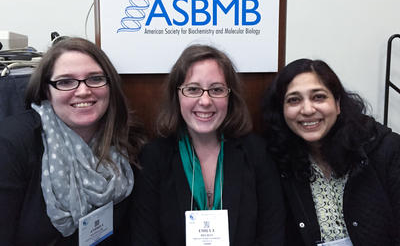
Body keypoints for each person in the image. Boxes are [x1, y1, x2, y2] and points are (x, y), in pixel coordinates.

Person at [131, 44, 285, 246]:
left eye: (217, 89)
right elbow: (144, 240)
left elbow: (272, 235)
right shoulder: (153, 157)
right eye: (193, 89)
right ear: (177, 95)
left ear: (230, 96)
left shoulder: (257, 153)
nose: (205, 101)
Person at [0, 37, 145, 245]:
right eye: (65, 82)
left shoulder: (127, 142)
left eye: (95, 78)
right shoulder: (11, 145)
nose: (84, 90)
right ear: (46, 91)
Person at [262, 58, 400, 246]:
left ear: (338, 104)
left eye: (318, 97)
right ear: (282, 111)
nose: (308, 109)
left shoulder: (386, 150)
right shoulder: (278, 163)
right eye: (294, 100)